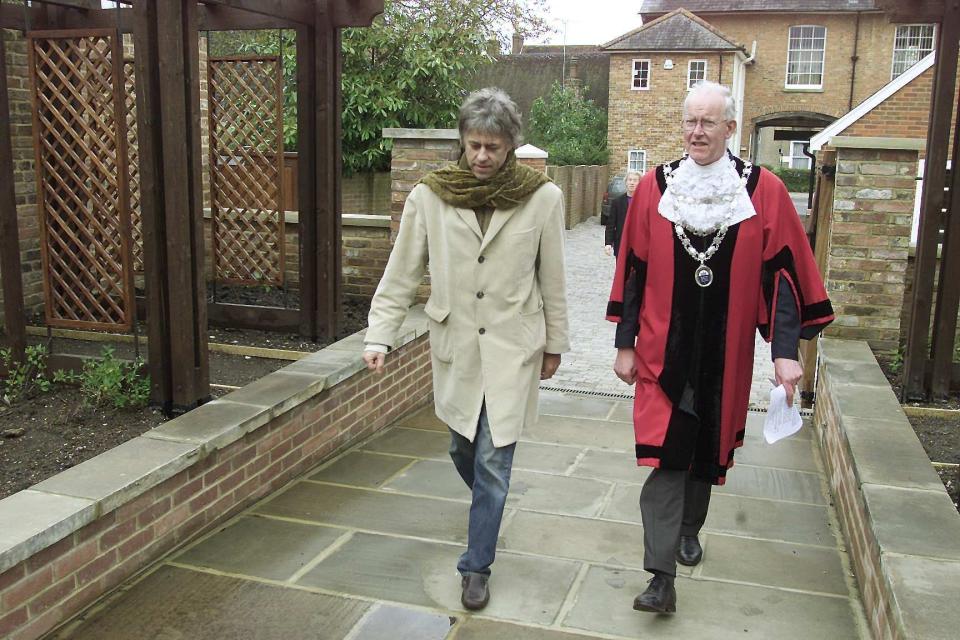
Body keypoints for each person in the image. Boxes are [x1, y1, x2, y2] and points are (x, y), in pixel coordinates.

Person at [606, 81, 834, 614]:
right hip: (662, 351)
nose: (697, 132)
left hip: (725, 356)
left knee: (705, 452)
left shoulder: (763, 191)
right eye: (690, 121)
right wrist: (625, 342)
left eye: (709, 122)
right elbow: (632, 269)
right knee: (666, 457)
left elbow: (782, 278)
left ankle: (690, 528)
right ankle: (660, 577)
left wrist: (784, 352)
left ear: (730, 128)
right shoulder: (655, 187)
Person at [363, 87, 570, 612]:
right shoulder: (429, 196)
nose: (482, 156)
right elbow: (403, 271)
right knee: (463, 449)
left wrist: (556, 345)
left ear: (510, 147)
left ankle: (476, 567)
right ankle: (488, 502)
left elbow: (555, 279)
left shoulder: (541, 197)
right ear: (462, 141)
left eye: (493, 147)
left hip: (513, 348)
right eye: (474, 144)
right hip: (456, 345)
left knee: (494, 461)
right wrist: (379, 334)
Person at [604, 170, 641, 257]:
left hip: (639, 245)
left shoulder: (644, 202)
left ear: (640, 183)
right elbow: (611, 225)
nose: (632, 183)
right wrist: (608, 243)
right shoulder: (617, 202)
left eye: (635, 180)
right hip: (621, 243)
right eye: (630, 180)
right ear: (626, 182)